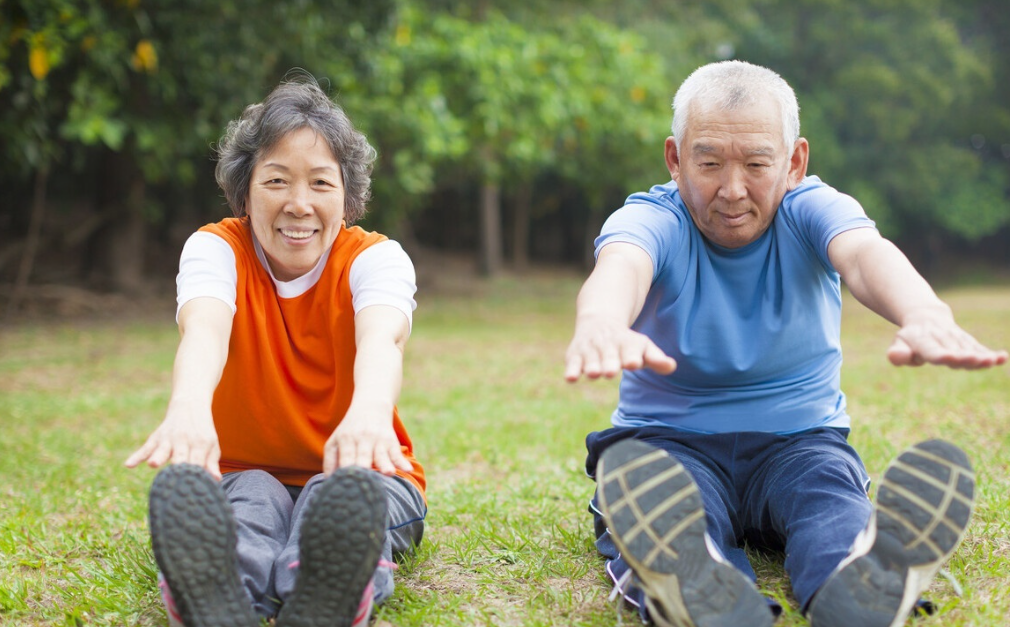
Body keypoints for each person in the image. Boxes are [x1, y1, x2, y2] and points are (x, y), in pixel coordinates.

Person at [564, 60, 1007, 627]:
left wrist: (921, 311)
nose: (731, 189)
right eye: (708, 163)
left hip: (800, 443)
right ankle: (694, 580)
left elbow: (865, 256)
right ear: (675, 160)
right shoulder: (656, 217)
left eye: (755, 164)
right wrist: (601, 320)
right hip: (669, 444)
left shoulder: (811, 211)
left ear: (794, 162)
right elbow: (623, 262)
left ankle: (858, 575)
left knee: (829, 503)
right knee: (668, 507)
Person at [125, 75, 426, 627]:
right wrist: (188, 407)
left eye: (320, 183)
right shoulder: (216, 249)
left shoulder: (377, 260)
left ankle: (333, 590)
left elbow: (383, 338)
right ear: (245, 190)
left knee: (338, 498)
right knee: (252, 503)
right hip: (246, 468)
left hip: (364, 472)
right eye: (276, 180)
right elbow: (205, 329)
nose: (298, 204)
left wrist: (369, 414)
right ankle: (218, 602)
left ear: (348, 197)